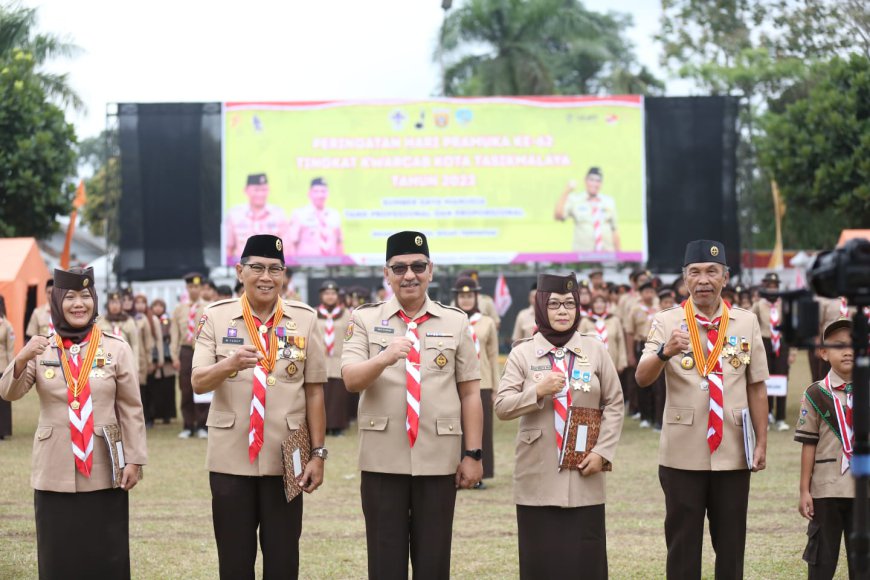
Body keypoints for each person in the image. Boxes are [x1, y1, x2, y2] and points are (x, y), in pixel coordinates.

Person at [341, 230, 483, 580]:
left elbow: (469, 392)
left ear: (430, 270)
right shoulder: (364, 319)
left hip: (438, 457)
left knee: (434, 561)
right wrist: (384, 358)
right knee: (385, 561)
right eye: (400, 267)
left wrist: (474, 454)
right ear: (386, 273)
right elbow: (350, 379)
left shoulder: (456, 321)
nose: (409, 275)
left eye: (418, 266)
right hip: (382, 457)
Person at [192, 234, 327, 579]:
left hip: (287, 457)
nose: (266, 277)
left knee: (283, 558)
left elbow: (314, 392)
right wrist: (229, 364)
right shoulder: (215, 318)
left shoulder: (305, 319)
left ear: (284, 275)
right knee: (234, 559)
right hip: (230, 457)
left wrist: (318, 454)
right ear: (240, 271)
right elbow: (198, 381)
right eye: (257, 268)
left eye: (274, 269)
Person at [0, 267, 146, 579]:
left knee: (107, 552)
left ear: (94, 300)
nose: (78, 304)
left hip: (105, 466)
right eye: (69, 297)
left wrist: (134, 458)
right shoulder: (41, 348)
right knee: (58, 555)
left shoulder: (115, 347)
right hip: (54, 466)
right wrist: (22, 357)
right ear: (56, 302)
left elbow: (131, 408)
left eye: (85, 296)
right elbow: (9, 392)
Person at [636, 240, 769, 580]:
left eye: (712, 271)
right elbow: (642, 377)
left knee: (731, 543)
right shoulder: (666, 322)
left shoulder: (745, 322)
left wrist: (762, 444)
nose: (703, 279)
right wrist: (665, 351)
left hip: (733, 449)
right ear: (685, 279)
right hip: (682, 452)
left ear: (725, 277)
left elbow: (756, 386)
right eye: (695, 272)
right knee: (682, 544)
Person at [496, 273, 624, 579]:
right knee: (541, 559)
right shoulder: (523, 352)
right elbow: (501, 406)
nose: (563, 311)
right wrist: (536, 392)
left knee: (586, 558)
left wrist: (603, 452)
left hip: (584, 468)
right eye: (554, 304)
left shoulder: (595, 350)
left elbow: (615, 404)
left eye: (570, 303)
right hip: (537, 471)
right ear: (541, 307)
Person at [795, 318, 857, 580]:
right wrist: (804, 490)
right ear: (823, 352)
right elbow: (809, 443)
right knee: (821, 561)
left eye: (854, 345)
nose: (847, 351)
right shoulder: (815, 393)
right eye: (838, 345)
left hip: (864, 491)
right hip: (826, 488)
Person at [453, 276, 499, 483]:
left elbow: (492, 355)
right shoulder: (452, 321)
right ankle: (457, 472)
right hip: (458, 383)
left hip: (483, 382)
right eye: (461, 296)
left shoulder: (487, 322)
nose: (465, 300)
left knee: (483, 431)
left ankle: (481, 473)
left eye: (469, 296)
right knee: (457, 430)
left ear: (476, 297)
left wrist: (496, 389)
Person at [751, 272, 793, 431]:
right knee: (765, 380)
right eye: (770, 286)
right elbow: (751, 324)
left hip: (781, 343)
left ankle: (781, 417)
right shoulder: (758, 304)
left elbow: (790, 328)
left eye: (775, 287)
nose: (773, 289)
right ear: (765, 287)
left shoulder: (784, 304)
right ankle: (767, 414)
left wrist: (793, 350)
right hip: (764, 342)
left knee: (781, 378)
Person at [171, 272, 208, 439]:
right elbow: (174, 335)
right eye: (191, 286)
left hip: (202, 349)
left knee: (202, 386)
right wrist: (174, 356)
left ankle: (202, 425)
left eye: (197, 286)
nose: (194, 290)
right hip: (185, 350)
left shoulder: (208, 307)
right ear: (187, 288)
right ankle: (187, 425)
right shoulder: (179, 309)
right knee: (185, 387)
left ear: (201, 288)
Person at [225, 173, 290, 264]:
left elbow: (287, 248)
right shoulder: (235, 215)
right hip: (244, 270)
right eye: (256, 190)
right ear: (246, 190)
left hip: (270, 270)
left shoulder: (278, 214)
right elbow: (229, 248)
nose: (260, 194)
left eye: (264, 190)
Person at [554, 167, 620, 254]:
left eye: (598, 181)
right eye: (591, 180)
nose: (594, 184)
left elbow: (614, 230)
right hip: (583, 256)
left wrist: (619, 255)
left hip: (606, 254)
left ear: (601, 184)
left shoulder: (609, 201)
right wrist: (566, 191)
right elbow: (558, 216)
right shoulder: (575, 200)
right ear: (585, 181)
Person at [315, 280, 351, 436]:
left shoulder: (346, 315)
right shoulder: (313, 314)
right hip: (319, 362)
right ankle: (322, 427)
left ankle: (337, 426)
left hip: (338, 362)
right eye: (327, 293)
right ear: (321, 296)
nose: (330, 296)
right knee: (320, 397)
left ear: (337, 296)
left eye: (333, 293)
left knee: (337, 396)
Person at [626, 281, 659, 429]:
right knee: (642, 382)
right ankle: (644, 416)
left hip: (657, 346)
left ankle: (655, 415)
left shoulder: (659, 309)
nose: (649, 295)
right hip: (641, 345)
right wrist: (630, 353)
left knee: (656, 383)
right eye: (646, 292)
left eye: (651, 292)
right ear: (641, 294)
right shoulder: (635, 309)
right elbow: (630, 333)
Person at [286, 177, 344, 257]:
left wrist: (340, 266)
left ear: (328, 193)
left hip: (331, 266)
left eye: (323, 191)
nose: (320, 195)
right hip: (306, 266)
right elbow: (291, 244)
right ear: (309, 193)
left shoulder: (334, 215)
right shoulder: (299, 214)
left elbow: (339, 243)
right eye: (316, 191)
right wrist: (292, 267)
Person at [579, 294, 628, 376]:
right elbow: (580, 342)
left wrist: (622, 362)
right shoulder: (585, 321)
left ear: (606, 304)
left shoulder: (615, 320)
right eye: (596, 302)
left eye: (602, 302)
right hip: (591, 362)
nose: (599, 305)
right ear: (592, 305)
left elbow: (621, 341)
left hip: (612, 361)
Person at [96, 290, 141, 380]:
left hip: (124, 361)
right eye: (112, 303)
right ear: (108, 305)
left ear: (121, 305)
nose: (114, 306)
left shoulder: (129, 321)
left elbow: (135, 345)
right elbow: (97, 345)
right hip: (106, 362)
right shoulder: (101, 322)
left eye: (117, 303)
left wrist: (135, 366)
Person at [133, 294, 160, 428]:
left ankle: (149, 417)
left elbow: (152, 341)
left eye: (142, 303)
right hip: (133, 359)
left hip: (144, 359)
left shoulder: (148, 319)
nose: (139, 306)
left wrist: (153, 360)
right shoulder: (130, 318)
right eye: (137, 303)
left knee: (147, 390)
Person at [150, 298, 176, 424]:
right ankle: (155, 414)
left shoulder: (168, 321)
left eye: (160, 305)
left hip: (168, 358)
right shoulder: (149, 320)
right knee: (155, 388)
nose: (158, 308)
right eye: (155, 305)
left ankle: (168, 415)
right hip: (154, 357)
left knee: (168, 387)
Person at [0, 296, 15, 438]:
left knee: (3, 400)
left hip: (2, 366)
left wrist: (11, 367)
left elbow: (10, 348)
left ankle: (3, 430)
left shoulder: (6, 325)